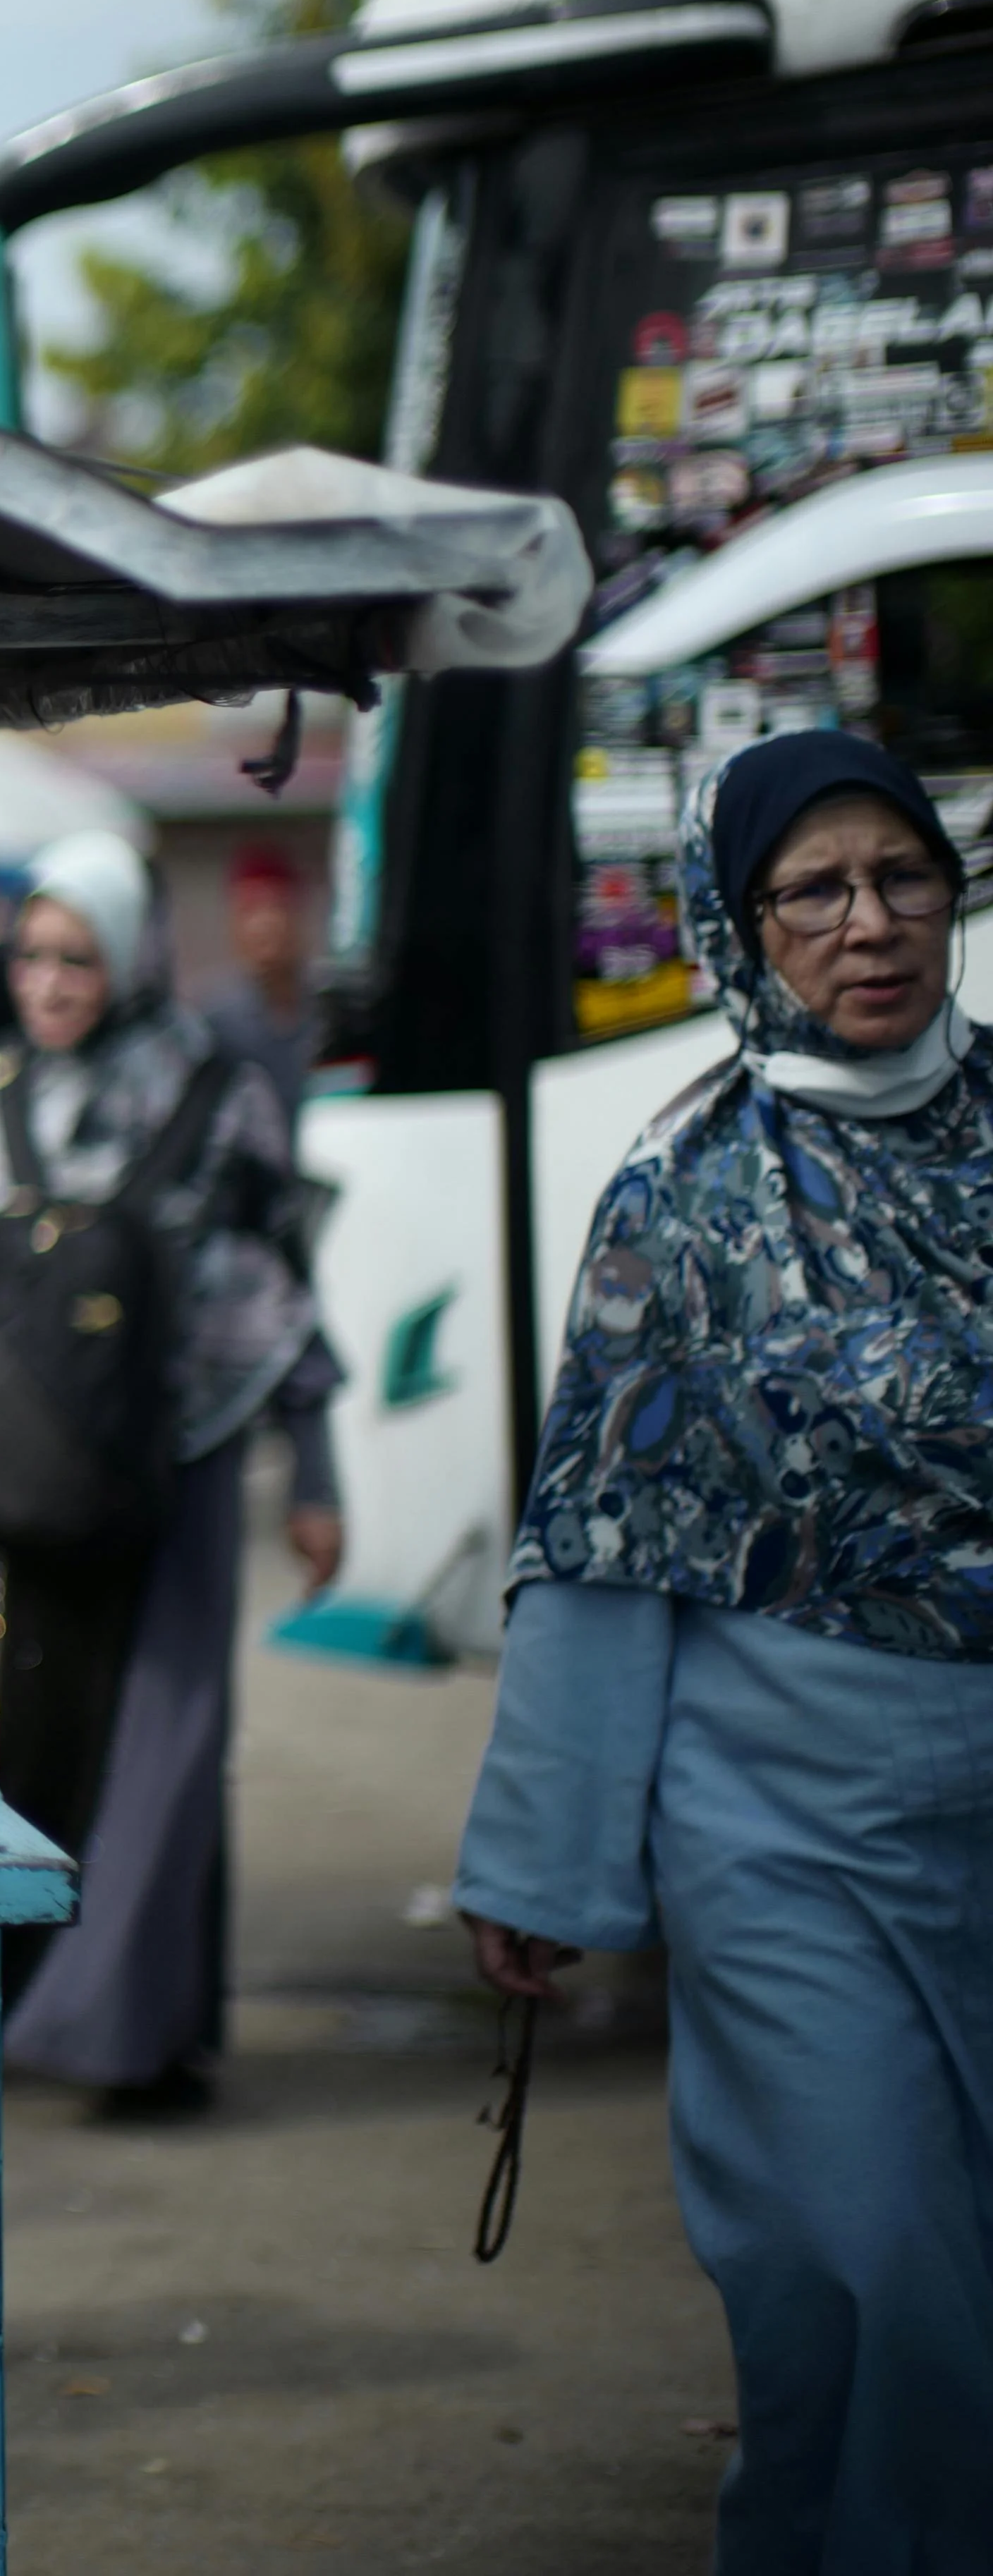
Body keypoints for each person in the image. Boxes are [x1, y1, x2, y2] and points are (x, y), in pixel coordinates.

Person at [458, 730, 991, 2567]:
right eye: (816, 891)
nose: (869, 924)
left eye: (901, 876)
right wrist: (545, 1858)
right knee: (866, 2251)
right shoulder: (688, 1199)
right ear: (741, 928)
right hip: (789, 1832)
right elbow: (605, 1543)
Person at [0, 831, 339, 2111]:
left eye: (79, 957)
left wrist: (317, 1473)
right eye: (32, 956)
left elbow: (277, 1281)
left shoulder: (218, 1091)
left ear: (130, 958)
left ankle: (138, 2037)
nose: (51, 983)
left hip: (181, 1459)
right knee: (1, 1740)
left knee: (160, 1750)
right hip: (12, 1477)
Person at [200, 839, 317, 1127]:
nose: (265, 924)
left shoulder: (332, 1012)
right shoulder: (213, 1024)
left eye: (276, 907)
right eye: (250, 910)